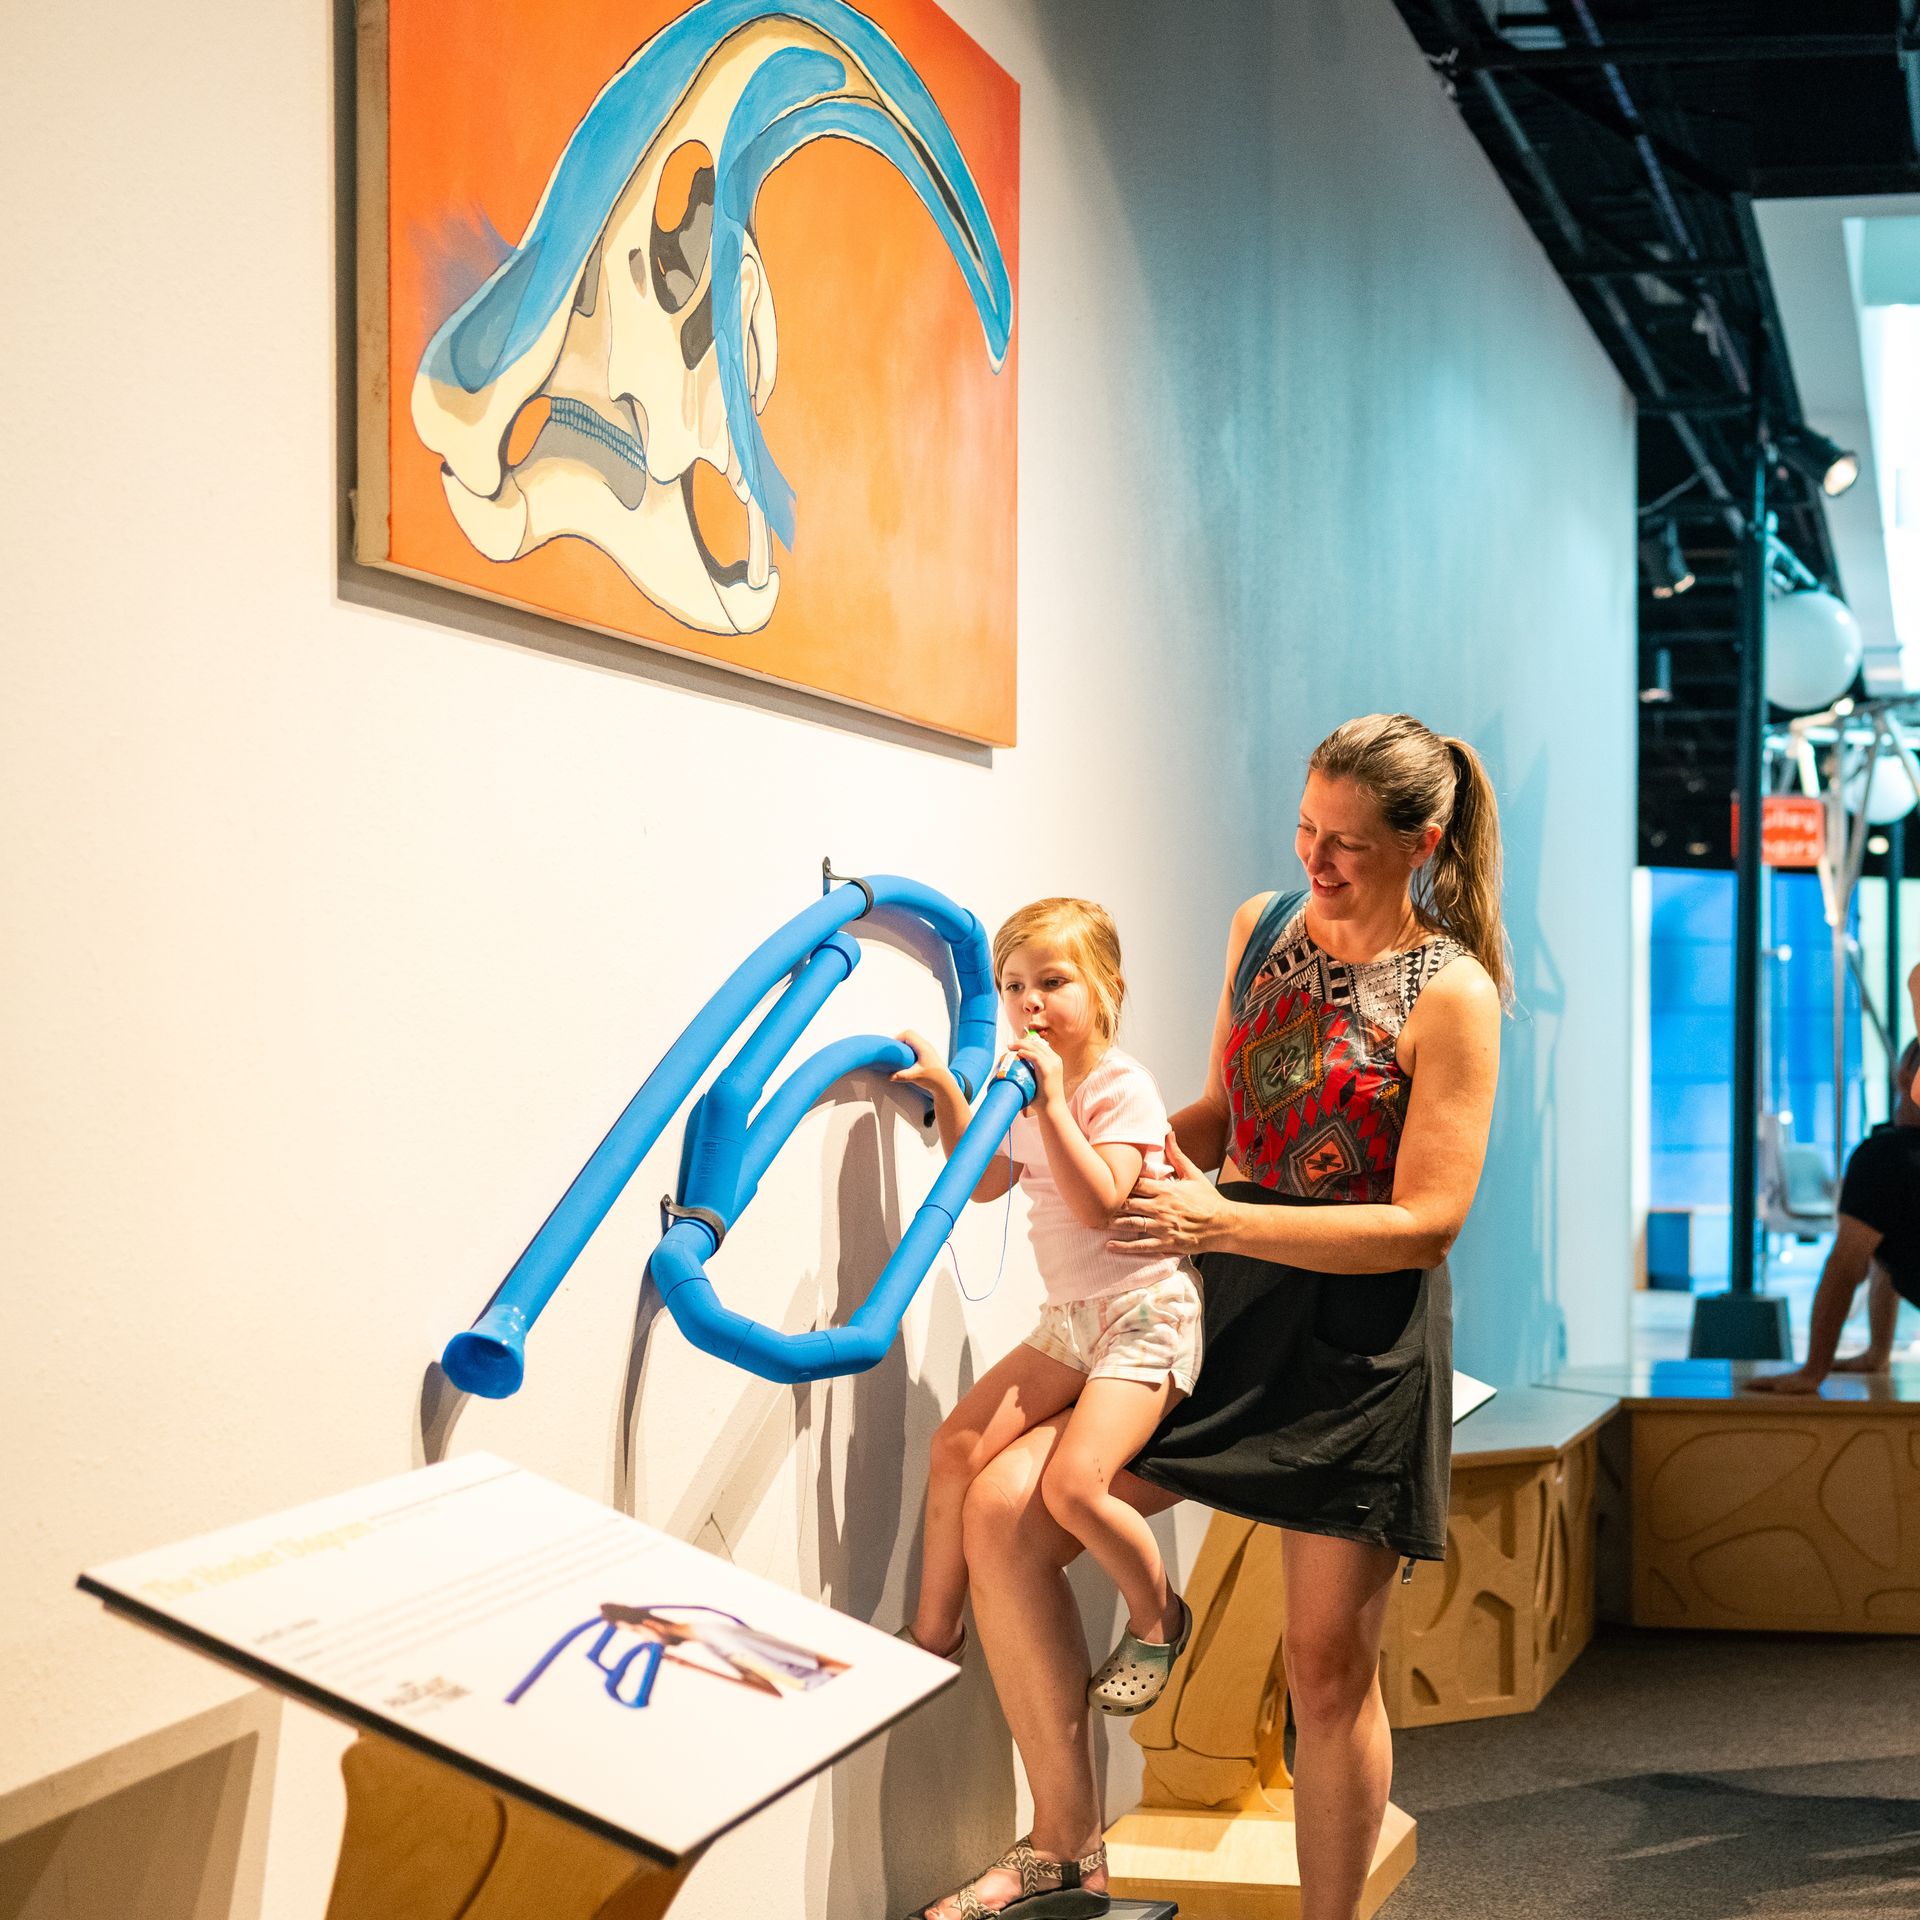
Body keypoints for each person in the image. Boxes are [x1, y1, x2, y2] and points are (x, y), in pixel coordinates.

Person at [906, 715, 1506, 1920]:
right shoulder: (1263, 927)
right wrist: (1080, 1147)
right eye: (1305, 828)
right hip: (1222, 1294)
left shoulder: (1456, 991)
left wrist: (1218, 1223)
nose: (1314, 863)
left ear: (1421, 842)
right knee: (1007, 1506)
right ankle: (1065, 1844)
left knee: (1324, 1669)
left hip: (1357, 1340)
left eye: (1344, 844)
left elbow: (1428, 1223)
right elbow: (1229, 1115)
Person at [892, 898, 1204, 1716]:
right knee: (956, 1445)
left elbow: (1100, 1203)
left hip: (1144, 1312)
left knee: (1074, 1487)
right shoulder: (1020, 1085)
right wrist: (954, 1099)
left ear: (1106, 990)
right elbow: (993, 1179)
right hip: (1073, 1320)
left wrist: (1054, 1103)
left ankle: (1159, 1616)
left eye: (1053, 982)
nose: (1029, 1003)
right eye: (1013, 985)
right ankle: (931, 1640)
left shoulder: (1118, 1087)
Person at [1751, 1012, 1920, 1396]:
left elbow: (1846, 1265)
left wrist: (1813, 1371)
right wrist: (1877, 1355)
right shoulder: (1896, 1157)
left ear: (1902, 1076)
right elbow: (1885, 1256)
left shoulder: (1886, 1157)